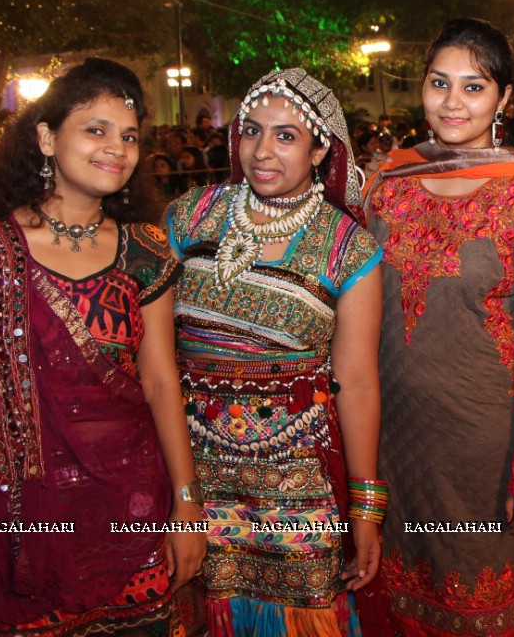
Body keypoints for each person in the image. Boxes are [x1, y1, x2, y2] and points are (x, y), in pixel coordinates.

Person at [0, 57, 205, 635]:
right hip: (17, 526)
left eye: (128, 135)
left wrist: (186, 505)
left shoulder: (145, 252)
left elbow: (159, 383)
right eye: (95, 130)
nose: (117, 148)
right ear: (47, 138)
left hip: (133, 512)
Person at [365, 18, 514, 636]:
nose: (453, 103)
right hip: (397, 438)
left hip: (487, 442)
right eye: (439, 83)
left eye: (473, 87)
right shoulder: (386, 184)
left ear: (504, 99)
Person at [164, 68, 384, 634]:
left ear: (319, 152)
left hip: (299, 480)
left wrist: (364, 507)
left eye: (286, 136)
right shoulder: (190, 217)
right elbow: (152, 358)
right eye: (252, 131)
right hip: (191, 472)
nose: (263, 151)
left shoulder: (346, 246)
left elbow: (356, 382)